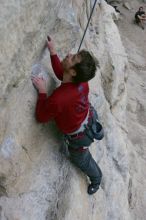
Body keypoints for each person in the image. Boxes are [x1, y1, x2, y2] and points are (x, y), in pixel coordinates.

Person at [32, 37, 103, 195]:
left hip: (80, 136)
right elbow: (61, 74)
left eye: (73, 57)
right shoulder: (81, 81)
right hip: (87, 116)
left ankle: (97, 179)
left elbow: (41, 116)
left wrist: (43, 92)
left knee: (80, 159)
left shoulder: (59, 99)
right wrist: (53, 52)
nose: (70, 54)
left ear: (73, 72)